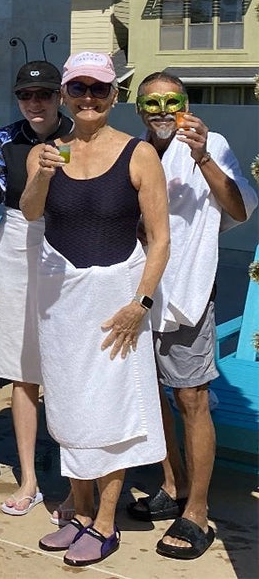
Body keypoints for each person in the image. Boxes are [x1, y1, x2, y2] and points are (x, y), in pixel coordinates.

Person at [21, 51, 170, 567]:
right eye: (78, 88)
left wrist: (140, 304)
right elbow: (31, 213)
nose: (88, 97)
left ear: (114, 96)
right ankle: (79, 511)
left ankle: (105, 521)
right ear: (65, 94)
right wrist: (39, 175)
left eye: (98, 89)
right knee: (69, 409)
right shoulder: (47, 152)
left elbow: (160, 240)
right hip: (63, 304)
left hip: (115, 305)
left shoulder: (139, 154)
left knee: (110, 411)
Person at [127, 71, 256, 560]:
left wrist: (202, 157)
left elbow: (240, 209)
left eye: (171, 101)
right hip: (138, 292)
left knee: (191, 398)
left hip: (186, 290)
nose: (161, 111)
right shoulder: (135, 151)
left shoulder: (211, 144)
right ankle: (172, 481)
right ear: (139, 109)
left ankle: (197, 511)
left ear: (185, 103)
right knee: (151, 394)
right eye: (151, 103)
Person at [0, 59, 75, 520]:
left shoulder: (79, 135)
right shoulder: (6, 138)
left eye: (44, 95)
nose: (35, 103)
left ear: (59, 96)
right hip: (16, 244)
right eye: (26, 95)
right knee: (22, 369)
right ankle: (29, 479)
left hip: (70, 244)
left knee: (69, 364)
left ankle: (78, 480)